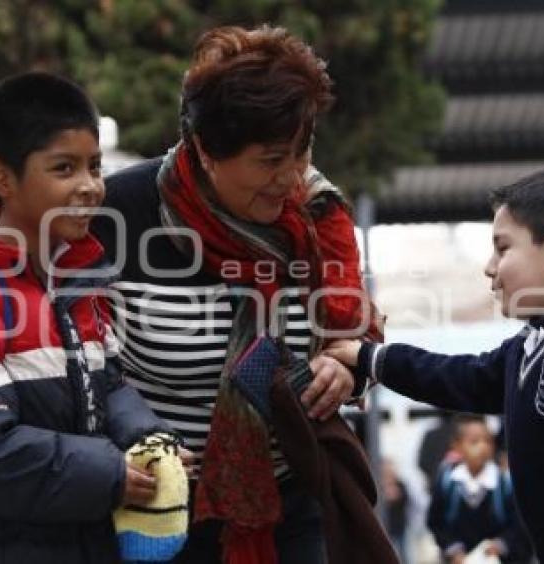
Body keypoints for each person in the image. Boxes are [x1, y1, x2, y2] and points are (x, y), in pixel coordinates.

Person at [91, 25, 386, 564]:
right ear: (206, 150)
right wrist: (131, 441)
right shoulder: (116, 215)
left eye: (303, 150)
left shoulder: (319, 214)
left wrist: (345, 369)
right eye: (271, 160)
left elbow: (353, 333)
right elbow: (82, 366)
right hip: (160, 507)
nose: (291, 177)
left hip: (292, 504)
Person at [324, 164, 544, 563]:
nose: (490, 267)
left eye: (503, 247)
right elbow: (458, 377)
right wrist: (371, 358)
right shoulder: (532, 346)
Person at [0, 72, 176, 563]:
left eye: (94, 166)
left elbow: (109, 386)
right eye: (64, 168)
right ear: (2, 177)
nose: (91, 186)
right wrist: (108, 474)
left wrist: (148, 439)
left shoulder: (78, 287)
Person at [427, 415, 530, 564]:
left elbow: (519, 524)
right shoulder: (449, 481)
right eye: (474, 442)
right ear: (457, 446)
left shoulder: (503, 482)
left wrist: (500, 544)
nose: (482, 447)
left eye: (487, 441)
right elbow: (436, 522)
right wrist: (453, 548)